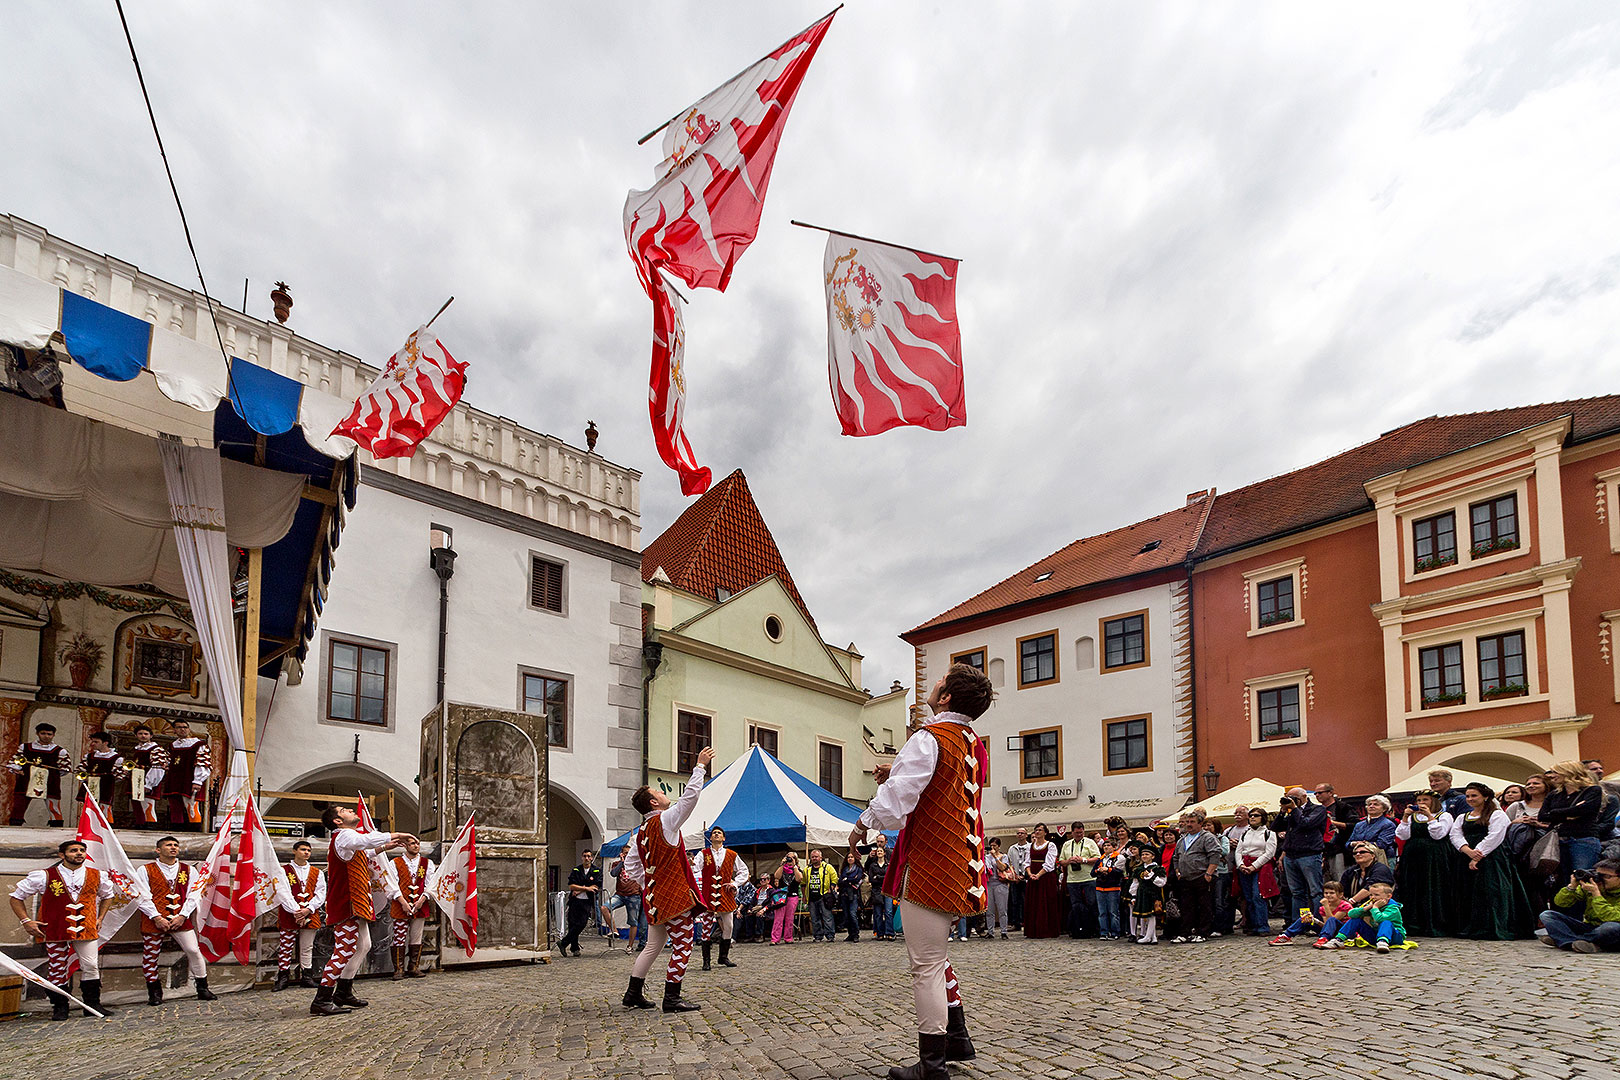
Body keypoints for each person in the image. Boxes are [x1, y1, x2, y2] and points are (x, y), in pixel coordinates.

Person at [850, 663, 993, 1080]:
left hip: (932, 861)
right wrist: (894, 767)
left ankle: (932, 1067)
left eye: (939, 682)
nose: (933, 686)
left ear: (946, 697)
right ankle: (958, 1037)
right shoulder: (970, 739)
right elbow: (938, 781)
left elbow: (898, 802)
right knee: (938, 957)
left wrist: (861, 826)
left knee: (926, 964)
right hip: (962, 861)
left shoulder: (930, 736)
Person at [621, 745, 714, 1013]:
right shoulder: (665, 821)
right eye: (659, 792)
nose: (663, 794)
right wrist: (699, 766)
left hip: (655, 897)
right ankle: (671, 998)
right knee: (683, 945)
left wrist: (647, 883)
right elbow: (690, 799)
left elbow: (631, 864)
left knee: (653, 945)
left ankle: (633, 993)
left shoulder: (641, 832)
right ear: (653, 803)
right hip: (673, 896)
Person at [313, 804, 414, 1016]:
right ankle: (322, 999)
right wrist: (396, 834)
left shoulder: (347, 840)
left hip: (355, 902)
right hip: (346, 903)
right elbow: (364, 840)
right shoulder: (343, 836)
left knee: (363, 945)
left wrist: (383, 848)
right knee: (344, 949)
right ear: (337, 821)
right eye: (344, 810)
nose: (350, 810)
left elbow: (364, 852)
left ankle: (343, 991)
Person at [8, 839, 118, 1019]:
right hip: (55, 928)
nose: (79, 853)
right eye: (73, 850)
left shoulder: (97, 875)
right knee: (57, 968)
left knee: (90, 965)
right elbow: (16, 897)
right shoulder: (45, 875)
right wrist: (26, 921)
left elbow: (108, 896)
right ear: (62, 855)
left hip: (86, 928)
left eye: (82, 850)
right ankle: (60, 1007)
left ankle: (92, 1005)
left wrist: (100, 918)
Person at [136, 834, 216, 1004]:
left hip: (180, 918)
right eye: (168, 845)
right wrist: (156, 917)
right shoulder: (145, 870)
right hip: (154, 918)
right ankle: (154, 993)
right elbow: (141, 895)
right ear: (158, 850)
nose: (173, 847)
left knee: (193, 950)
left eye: (175, 845)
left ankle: (202, 987)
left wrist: (183, 915)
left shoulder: (188, 870)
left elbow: (194, 895)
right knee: (151, 955)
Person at [1449, 782, 1534, 940]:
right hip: (1466, 857)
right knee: (1468, 891)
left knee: (1491, 891)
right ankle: (1470, 926)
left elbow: (1496, 835)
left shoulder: (1497, 814)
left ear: (1485, 797)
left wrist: (1478, 855)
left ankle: (1493, 926)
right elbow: (1455, 835)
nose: (1470, 799)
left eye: (1474, 795)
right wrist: (1467, 850)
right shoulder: (1462, 817)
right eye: (1468, 796)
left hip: (1492, 858)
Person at [1393, 792, 1458, 937]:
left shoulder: (1444, 816)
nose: (1422, 802)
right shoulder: (1412, 817)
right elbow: (1402, 835)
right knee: (1413, 887)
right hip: (1413, 857)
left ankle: (1435, 923)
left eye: (1425, 800)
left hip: (1434, 856)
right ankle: (1414, 923)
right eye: (1419, 800)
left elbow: (1438, 834)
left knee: (1433, 886)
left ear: (1433, 801)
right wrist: (1404, 817)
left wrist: (1430, 817)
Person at [1537, 761, 1605, 881]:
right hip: (1558, 840)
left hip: (1583, 839)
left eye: (1555, 772)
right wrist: (1570, 813)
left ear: (1568, 772)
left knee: (1582, 877)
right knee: (1561, 879)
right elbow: (1542, 816)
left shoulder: (1592, 790)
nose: (1551, 776)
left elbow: (1585, 810)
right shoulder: (1554, 794)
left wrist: (1556, 812)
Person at [274, 839, 324, 991]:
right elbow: (282, 891)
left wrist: (308, 909)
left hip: (310, 912)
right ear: (294, 851)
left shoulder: (317, 872)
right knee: (285, 946)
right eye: (303, 849)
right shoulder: (284, 871)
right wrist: (296, 911)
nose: (306, 852)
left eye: (308, 850)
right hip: (290, 913)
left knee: (307, 947)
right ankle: (283, 977)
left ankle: (306, 977)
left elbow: (321, 893)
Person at [695, 826, 748, 967]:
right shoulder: (703, 853)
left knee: (729, 926)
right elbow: (694, 870)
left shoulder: (731, 854)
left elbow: (743, 871)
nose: (716, 834)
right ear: (710, 838)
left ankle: (723, 957)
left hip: (725, 894)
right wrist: (699, 886)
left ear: (723, 838)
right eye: (714, 833)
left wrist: (735, 883)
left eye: (719, 833)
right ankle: (706, 961)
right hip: (708, 894)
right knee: (706, 926)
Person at [1539, 859, 1620, 952]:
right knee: (1547, 915)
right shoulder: (1591, 887)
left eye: (1606, 876)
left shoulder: (1594, 890)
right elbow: (1560, 903)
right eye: (1598, 874)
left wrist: (1596, 894)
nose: (1599, 879)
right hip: (1590, 926)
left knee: (1611, 928)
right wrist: (1572, 887)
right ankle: (1578, 943)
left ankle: (1564, 940)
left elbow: (1611, 917)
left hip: (1610, 928)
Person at [1277, 788, 1328, 927]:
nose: (1291, 800)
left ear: (1304, 796)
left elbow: (1306, 823)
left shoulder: (1318, 810)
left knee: (1315, 891)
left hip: (1309, 854)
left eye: (1293, 797)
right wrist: (1282, 812)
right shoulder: (1289, 812)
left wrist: (1294, 809)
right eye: (1288, 797)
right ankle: (1302, 923)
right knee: (1297, 893)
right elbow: (1275, 827)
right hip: (1291, 855)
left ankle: (1318, 923)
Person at [1170, 811, 1221, 943]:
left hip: (1202, 876)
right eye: (1187, 822)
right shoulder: (1183, 839)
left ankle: (1203, 932)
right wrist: (1177, 871)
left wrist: (1209, 873)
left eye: (1192, 822)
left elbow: (1215, 855)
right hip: (1185, 878)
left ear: (1200, 824)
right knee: (1186, 907)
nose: (1189, 825)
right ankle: (1184, 933)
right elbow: (1176, 857)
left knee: (1204, 906)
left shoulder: (1207, 837)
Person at [389, 835, 436, 979]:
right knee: (399, 936)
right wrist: (402, 902)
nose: (416, 846)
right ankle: (399, 969)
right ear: (405, 846)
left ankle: (413, 967)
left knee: (416, 936)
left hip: (420, 904)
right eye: (412, 843)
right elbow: (392, 884)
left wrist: (422, 900)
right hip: (400, 904)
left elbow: (431, 884)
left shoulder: (426, 863)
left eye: (417, 843)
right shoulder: (395, 863)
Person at [7, 721, 70, 826]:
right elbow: (15, 762)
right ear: (37, 733)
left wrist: (51, 775)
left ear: (53, 735)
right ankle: (14, 829)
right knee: (19, 806)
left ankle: (57, 830)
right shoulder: (25, 747)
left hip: (50, 783)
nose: (46, 736)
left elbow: (65, 768)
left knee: (54, 807)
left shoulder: (60, 751)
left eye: (49, 734)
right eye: (43, 733)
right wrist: (17, 769)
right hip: (26, 780)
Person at [159, 719, 210, 831]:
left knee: (191, 806)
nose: (183, 729)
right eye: (179, 727)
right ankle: (176, 832)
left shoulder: (199, 744)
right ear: (174, 730)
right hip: (174, 779)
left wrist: (198, 780)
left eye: (185, 727)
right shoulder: (172, 745)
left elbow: (202, 763)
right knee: (174, 807)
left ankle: (194, 833)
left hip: (189, 779)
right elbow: (168, 762)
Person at [1327, 881, 1405, 953]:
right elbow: (1351, 914)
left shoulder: (1393, 908)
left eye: (1376, 895)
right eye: (1371, 895)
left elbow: (1380, 919)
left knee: (1386, 922)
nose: (1372, 897)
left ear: (1388, 896)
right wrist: (1365, 909)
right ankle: (1339, 940)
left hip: (1395, 937)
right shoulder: (1371, 905)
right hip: (1375, 937)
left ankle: (1383, 941)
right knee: (1356, 920)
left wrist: (1375, 908)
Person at [1269, 879, 1351, 946]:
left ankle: (1324, 939)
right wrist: (1314, 920)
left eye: (1332, 893)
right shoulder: (1322, 907)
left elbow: (1332, 920)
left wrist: (1326, 906)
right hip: (1330, 931)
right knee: (1305, 918)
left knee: (1332, 920)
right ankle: (1286, 936)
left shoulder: (1345, 906)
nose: (1328, 895)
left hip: (1344, 931)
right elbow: (1326, 925)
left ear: (1340, 895)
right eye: (1326, 893)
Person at [1233, 808, 1275, 936]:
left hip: (1261, 867)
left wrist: (1254, 866)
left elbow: (1269, 853)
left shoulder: (1269, 833)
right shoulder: (1245, 833)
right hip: (1244, 867)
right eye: (1251, 815)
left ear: (1263, 817)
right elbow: (1238, 850)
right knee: (1248, 897)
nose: (1252, 818)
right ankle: (1252, 925)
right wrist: (1240, 864)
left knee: (1259, 896)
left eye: (1256, 816)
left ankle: (1262, 926)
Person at [1059, 820, 1100, 939]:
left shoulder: (1090, 842)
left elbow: (1097, 858)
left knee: (1092, 904)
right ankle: (1078, 929)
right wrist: (1069, 861)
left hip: (1088, 877)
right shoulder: (1067, 844)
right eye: (1077, 833)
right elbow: (1061, 861)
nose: (1079, 835)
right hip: (1072, 879)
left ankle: (1094, 929)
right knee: (1075, 905)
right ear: (1072, 832)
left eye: (1081, 833)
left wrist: (1084, 860)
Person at [558, 850, 601, 958]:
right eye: (584, 856)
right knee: (572, 924)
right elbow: (571, 886)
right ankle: (574, 948)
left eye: (588, 856)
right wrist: (586, 888)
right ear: (582, 857)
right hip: (575, 900)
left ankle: (563, 942)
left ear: (591, 858)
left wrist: (581, 889)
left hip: (587, 901)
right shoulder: (576, 870)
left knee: (582, 923)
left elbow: (595, 887)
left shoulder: (596, 870)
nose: (586, 858)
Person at [1021, 823, 1061, 938]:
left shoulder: (1050, 845)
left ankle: (1047, 930)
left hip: (1046, 877)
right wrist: (1030, 874)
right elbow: (1027, 862)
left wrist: (1038, 875)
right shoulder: (1030, 846)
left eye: (1039, 830)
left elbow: (1050, 864)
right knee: (1033, 903)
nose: (1037, 832)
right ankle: (1032, 930)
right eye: (1036, 830)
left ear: (1045, 832)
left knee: (1046, 902)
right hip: (1033, 877)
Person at [126, 724, 168, 828]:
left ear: (151, 736)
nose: (143, 736)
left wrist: (149, 784)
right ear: (136, 736)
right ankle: (140, 825)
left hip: (146, 780)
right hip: (135, 779)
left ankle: (150, 827)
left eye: (146, 734)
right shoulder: (135, 749)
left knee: (148, 805)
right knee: (136, 805)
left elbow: (158, 768)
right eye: (140, 734)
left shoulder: (156, 749)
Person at [1312, 784, 1357, 882]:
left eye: (1320, 792)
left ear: (1330, 793)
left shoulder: (1343, 807)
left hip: (1340, 848)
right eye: (1315, 793)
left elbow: (1354, 825)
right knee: (1325, 881)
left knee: (1340, 878)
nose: (1317, 795)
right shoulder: (1316, 810)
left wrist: (1332, 823)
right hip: (1322, 849)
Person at [606, 852, 647, 953]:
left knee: (640, 922)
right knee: (605, 907)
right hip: (620, 894)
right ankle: (614, 930)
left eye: (629, 853)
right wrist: (622, 863)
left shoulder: (638, 864)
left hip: (636, 895)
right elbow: (613, 873)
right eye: (625, 853)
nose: (627, 855)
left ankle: (638, 944)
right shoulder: (617, 864)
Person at [76, 731, 126, 808]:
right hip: (89, 788)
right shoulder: (89, 756)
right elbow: (80, 770)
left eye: (96, 742)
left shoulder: (116, 758)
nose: (93, 744)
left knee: (104, 813)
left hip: (105, 789)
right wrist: (84, 778)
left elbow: (119, 776)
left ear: (105, 743)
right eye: (92, 741)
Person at [1338, 841, 1395, 907]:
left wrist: (1351, 902)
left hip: (1381, 907)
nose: (1358, 854)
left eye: (1362, 852)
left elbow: (1370, 888)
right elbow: (1341, 889)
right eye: (1355, 853)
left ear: (1373, 855)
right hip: (1355, 908)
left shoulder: (1381, 869)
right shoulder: (1351, 871)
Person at [1204, 818, 1234, 936]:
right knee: (1209, 901)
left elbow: (1225, 851)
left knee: (1219, 900)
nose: (1206, 828)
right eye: (1204, 825)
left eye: (1209, 825)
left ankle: (1220, 927)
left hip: (1221, 872)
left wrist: (1210, 849)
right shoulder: (1202, 838)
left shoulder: (1223, 838)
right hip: (1207, 872)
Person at [1348, 795, 1398, 862]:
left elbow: (1382, 844)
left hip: (1383, 859)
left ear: (1384, 809)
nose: (1371, 806)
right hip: (1360, 859)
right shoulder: (1359, 824)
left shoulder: (1388, 824)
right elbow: (1348, 843)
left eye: (1376, 804)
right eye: (1369, 804)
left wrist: (1360, 844)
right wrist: (1352, 844)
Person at [804, 848, 838, 943]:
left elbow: (834, 878)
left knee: (827, 917)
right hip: (811, 897)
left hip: (824, 896)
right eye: (813, 857)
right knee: (814, 919)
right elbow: (803, 883)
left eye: (816, 856)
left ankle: (830, 935)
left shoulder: (828, 867)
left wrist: (830, 889)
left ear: (821, 857)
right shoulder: (807, 869)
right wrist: (804, 896)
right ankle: (818, 936)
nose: (814, 858)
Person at [1094, 838, 1125, 939]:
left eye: (1109, 846)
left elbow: (1120, 872)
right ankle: (1104, 932)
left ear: (1114, 847)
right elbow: (1092, 872)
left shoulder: (1118, 858)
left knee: (1113, 912)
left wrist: (1109, 870)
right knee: (1102, 912)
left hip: (1113, 888)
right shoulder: (1100, 859)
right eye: (1105, 846)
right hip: (1100, 888)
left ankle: (1115, 932)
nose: (1106, 847)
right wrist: (1098, 871)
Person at [1132, 860, 1168, 945]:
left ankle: (1148, 936)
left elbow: (1162, 883)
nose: (1144, 856)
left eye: (1147, 854)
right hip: (1143, 894)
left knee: (1152, 915)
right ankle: (1153, 937)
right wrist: (1133, 895)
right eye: (1143, 854)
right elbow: (1135, 883)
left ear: (1153, 857)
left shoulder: (1158, 868)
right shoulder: (1139, 869)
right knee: (1147, 915)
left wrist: (1152, 876)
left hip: (1153, 894)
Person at [866, 839, 895, 940]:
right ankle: (879, 933)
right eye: (877, 851)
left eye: (880, 851)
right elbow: (871, 879)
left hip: (887, 890)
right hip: (876, 890)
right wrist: (881, 877)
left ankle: (890, 932)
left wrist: (878, 877)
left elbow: (890, 877)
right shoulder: (873, 865)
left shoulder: (888, 865)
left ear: (884, 853)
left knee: (888, 912)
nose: (879, 852)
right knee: (877, 913)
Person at [985, 837, 1012, 939]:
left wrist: (995, 857)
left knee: (1002, 909)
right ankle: (990, 931)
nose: (992, 848)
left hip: (1001, 884)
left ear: (999, 846)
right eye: (991, 846)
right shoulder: (987, 857)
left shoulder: (1003, 856)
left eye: (994, 846)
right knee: (989, 910)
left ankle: (1003, 931)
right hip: (989, 884)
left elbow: (1003, 867)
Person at [773, 852, 802, 944]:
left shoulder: (797, 869)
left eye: (792, 858)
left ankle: (788, 937)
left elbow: (799, 879)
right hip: (781, 896)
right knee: (778, 918)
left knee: (789, 918)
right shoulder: (782, 869)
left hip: (792, 895)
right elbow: (776, 876)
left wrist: (794, 866)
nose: (789, 860)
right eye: (788, 858)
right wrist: (782, 865)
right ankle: (775, 939)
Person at [1005, 828, 1030, 931]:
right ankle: (1016, 923)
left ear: (1026, 835)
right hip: (1015, 879)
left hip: (1027, 878)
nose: (1020, 835)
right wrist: (1014, 876)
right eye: (1018, 833)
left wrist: (1024, 875)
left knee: (1026, 901)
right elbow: (1009, 863)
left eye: (1022, 833)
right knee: (1015, 901)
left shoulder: (1030, 847)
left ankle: (1026, 922)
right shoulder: (1012, 848)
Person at [839, 851, 865, 942]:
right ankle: (850, 934)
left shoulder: (858, 869)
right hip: (844, 894)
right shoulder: (844, 869)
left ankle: (856, 934)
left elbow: (857, 879)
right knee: (847, 915)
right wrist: (850, 880)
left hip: (853, 894)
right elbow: (841, 881)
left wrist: (848, 880)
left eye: (852, 857)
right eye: (848, 857)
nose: (850, 858)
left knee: (852, 914)